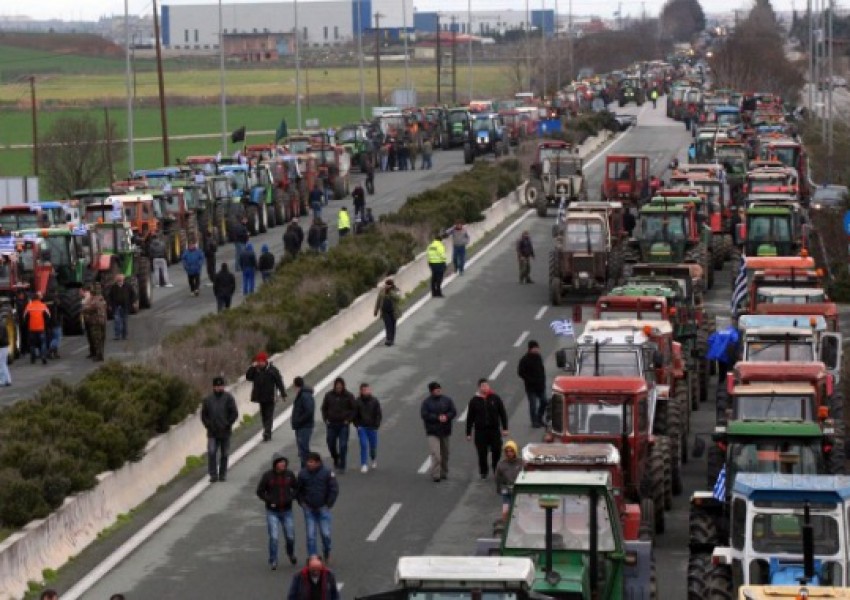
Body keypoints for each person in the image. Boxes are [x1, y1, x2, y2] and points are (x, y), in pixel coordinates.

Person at [256, 453, 299, 569]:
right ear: (275, 464)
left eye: (284, 462)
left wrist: (291, 497)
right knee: (274, 537)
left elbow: (296, 488)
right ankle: (273, 560)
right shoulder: (267, 476)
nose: (283, 464)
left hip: (287, 510)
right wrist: (268, 500)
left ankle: (290, 553)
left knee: (290, 536)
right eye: (280, 462)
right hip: (272, 511)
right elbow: (260, 491)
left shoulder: (289, 475)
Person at [296, 453, 338, 562]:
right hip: (309, 509)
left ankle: (327, 551)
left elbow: (334, 489)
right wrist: (302, 503)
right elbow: (298, 490)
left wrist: (328, 504)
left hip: (323, 508)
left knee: (326, 534)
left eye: (311, 462)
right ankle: (312, 557)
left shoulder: (327, 473)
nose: (308, 464)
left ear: (318, 462)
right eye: (308, 462)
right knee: (310, 535)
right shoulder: (302, 474)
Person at [465, 378, 509, 479]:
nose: (485, 387)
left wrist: (505, 428)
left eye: (487, 385)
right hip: (481, 431)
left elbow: (502, 413)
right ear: (479, 388)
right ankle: (483, 471)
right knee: (482, 452)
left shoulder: (495, 398)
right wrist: (468, 433)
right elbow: (470, 418)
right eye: (483, 386)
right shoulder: (474, 401)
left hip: (494, 430)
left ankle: (495, 468)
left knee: (497, 449)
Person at [201, 376, 238, 482]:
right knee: (212, 452)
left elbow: (234, 413)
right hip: (212, 432)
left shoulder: (228, 398)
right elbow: (204, 415)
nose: (219, 388)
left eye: (221, 386)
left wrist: (228, 423)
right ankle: (213, 474)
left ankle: (222, 474)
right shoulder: (208, 400)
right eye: (217, 386)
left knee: (225, 453)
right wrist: (208, 425)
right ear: (213, 387)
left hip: (225, 431)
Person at [420, 382, 457, 482]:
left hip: (445, 431)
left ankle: (444, 472)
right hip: (432, 431)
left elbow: (453, 411)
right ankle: (436, 474)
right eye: (436, 389)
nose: (439, 391)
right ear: (432, 391)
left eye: (439, 389)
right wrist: (437, 418)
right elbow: (424, 415)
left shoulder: (447, 400)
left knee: (445, 453)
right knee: (436, 453)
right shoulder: (426, 403)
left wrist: (447, 416)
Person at [246, 351, 287, 441]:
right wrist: (252, 367)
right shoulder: (256, 370)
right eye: (258, 361)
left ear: (265, 361)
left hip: (270, 397)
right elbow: (248, 377)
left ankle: (267, 432)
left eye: (261, 361)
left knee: (269, 415)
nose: (260, 363)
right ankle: (266, 430)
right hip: (260, 397)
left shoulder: (272, 370)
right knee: (263, 415)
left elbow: (279, 382)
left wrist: (283, 394)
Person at [321, 377, 356, 472]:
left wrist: (348, 420)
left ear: (343, 386)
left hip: (343, 425)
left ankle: (342, 465)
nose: (339, 388)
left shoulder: (349, 396)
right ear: (335, 386)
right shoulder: (328, 395)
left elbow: (354, 409)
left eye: (340, 386)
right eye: (337, 386)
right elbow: (324, 408)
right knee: (330, 443)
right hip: (331, 424)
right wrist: (325, 419)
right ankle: (336, 458)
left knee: (343, 445)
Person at [353, 383, 382, 473]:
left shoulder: (374, 401)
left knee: (373, 446)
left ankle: (373, 458)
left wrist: (376, 425)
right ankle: (364, 464)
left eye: (367, 389)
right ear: (361, 391)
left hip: (372, 427)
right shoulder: (357, 401)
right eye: (364, 390)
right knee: (363, 444)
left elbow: (378, 414)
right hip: (362, 427)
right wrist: (357, 426)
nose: (366, 391)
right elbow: (354, 415)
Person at [517, 340, 547, 428]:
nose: (537, 350)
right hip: (531, 387)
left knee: (544, 401)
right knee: (533, 404)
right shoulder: (524, 359)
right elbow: (520, 372)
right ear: (531, 349)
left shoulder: (538, 357)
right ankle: (534, 422)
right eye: (535, 348)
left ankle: (539, 418)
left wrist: (543, 380)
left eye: (537, 348)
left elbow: (541, 370)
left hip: (541, 386)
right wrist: (529, 380)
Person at [494, 440, 522, 520]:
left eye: (511, 451)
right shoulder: (501, 464)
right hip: (506, 492)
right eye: (507, 451)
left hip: (518, 491)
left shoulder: (521, 463)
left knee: (518, 511)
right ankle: (505, 525)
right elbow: (497, 478)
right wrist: (500, 489)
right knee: (505, 512)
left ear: (515, 451)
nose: (509, 453)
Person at [291, 376, 315, 468]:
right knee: (302, 449)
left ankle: (307, 468)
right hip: (301, 426)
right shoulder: (303, 395)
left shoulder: (304, 396)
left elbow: (309, 411)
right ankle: (305, 468)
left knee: (304, 449)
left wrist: (299, 421)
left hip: (304, 426)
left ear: (296, 386)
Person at [81, 283, 107, 361]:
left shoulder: (95, 300)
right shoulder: (102, 299)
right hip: (102, 321)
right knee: (101, 339)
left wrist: (84, 306)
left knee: (97, 339)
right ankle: (99, 354)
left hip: (96, 323)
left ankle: (99, 356)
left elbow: (88, 308)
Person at [23, 292, 50, 364]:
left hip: (32, 328)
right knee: (43, 343)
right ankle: (43, 356)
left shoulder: (29, 306)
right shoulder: (43, 306)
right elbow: (48, 316)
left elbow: (25, 317)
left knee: (32, 344)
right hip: (41, 328)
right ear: (39, 298)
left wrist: (28, 324)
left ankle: (33, 358)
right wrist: (45, 324)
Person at [374, 278, 400, 346]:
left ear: (392, 285)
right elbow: (378, 300)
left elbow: (398, 298)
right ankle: (388, 339)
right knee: (388, 325)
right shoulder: (382, 291)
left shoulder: (396, 290)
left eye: (389, 285)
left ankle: (392, 339)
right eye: (386, 284)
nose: (387, 286)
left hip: (393, 311)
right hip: (385, 311)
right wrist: (376, 310)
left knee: (393, 325)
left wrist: (390, 292)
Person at [427, 233, 447, 297]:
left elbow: (428, 254)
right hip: (439, 263)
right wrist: (444, 262)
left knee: (434, 278)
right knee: (439, 279)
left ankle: (433, 292)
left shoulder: (430, 246)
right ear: (440, 240)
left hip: (432, 264)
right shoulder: (440, 246)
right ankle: (439, 292)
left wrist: (430, 262)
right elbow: (442, 255)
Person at [0, 311, 10, 385]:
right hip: (4, 346)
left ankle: (3, 380)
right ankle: (8, 380)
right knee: (3, 363)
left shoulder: (1, 327)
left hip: (2, 346)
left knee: (1, 363)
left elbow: (0, 338)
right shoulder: (2, 325)